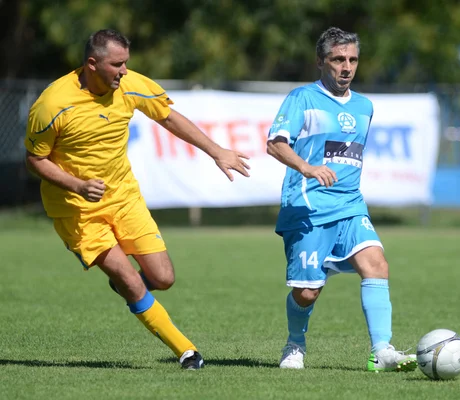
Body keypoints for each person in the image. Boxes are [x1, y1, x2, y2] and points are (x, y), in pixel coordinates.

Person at [24, 29, 250, 370]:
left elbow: (169, 116)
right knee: (129, 279)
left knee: (162, 278)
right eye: (117, 64)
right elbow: (35, 159)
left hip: (124, 197)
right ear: (91, 64)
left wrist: (216, 151)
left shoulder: (129, 84)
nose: (125, 71)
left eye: (126, 63)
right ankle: (186, 351)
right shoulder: (52, 105)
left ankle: (131, 289)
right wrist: (77, 185)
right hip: (77, 209)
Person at [266, 27, 417, 372]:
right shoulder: (302, 98)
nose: (346, 67)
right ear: (321, 61)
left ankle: (382, 351)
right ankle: (295, 344)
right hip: (308, 209)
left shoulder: (365, 107)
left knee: (377, 264)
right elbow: (274, 144)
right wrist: (307, 167)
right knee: (307, 293)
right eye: (338, 60)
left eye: (352, 60)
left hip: (350, 206)